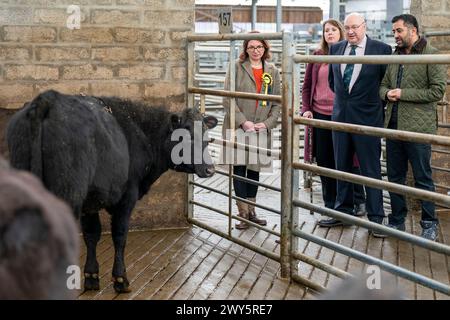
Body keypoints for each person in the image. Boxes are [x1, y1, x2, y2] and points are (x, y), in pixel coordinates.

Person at [379, 14, 446, 241]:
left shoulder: (432, 55)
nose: (395, 36)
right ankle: (397, 221)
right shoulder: (394, 56)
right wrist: (387, 93)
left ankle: (429, 222)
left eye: (399, 31)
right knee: (395, 176)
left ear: (413, 30)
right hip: (393, 125)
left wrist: (402, 94)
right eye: (394, 32)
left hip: (419, 128)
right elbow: (383, 87)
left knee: (423, 177)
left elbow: (437, 92)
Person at [324, 13, 392, 229]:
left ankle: (376, 219)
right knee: (341, 167)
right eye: (348, 27)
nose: (351, 31)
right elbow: (334, 83)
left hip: (368, 120)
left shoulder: (381, 49)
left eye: (355, 27)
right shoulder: (336, 49)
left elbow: (383, 84)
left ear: (364, 26)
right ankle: (343, 212)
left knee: (370, 170)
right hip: (341, 118)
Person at [222, 31, 281, 230]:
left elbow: (277, 103)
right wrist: (242, 121)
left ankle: (252, 211)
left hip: (260, 128)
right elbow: (227, 99)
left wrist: (267, 124)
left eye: (259, 47)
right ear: (245, 49)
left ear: (265, 48)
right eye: (251, 47)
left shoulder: (272, 70)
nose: (256, 51)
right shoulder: (235, 68)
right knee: (239, 168)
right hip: (239, 126)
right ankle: (243, 214)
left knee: (254, 169)